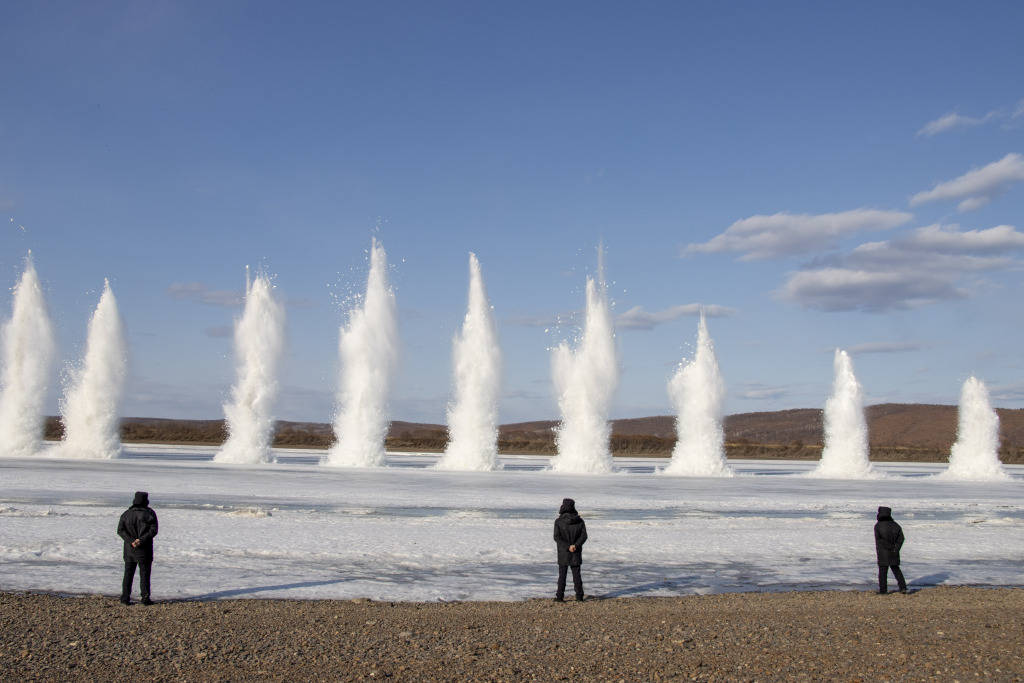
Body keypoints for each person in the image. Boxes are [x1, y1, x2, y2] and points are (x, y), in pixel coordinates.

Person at [117, 491, 159, 605]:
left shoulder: (126, 513)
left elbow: (120, 530)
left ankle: (125, 598)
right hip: (144, 549)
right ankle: (145, 598)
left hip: (130, 549)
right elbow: (153, 530)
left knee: (128, 574)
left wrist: (131, 541)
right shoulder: (150, 513)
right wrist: (140, 540)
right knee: (145, 574)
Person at [553, 497, 588, 602]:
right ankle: (579, 597)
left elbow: (557, 537)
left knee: (562, 575)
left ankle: (560, 597)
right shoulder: (579, 520)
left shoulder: (559, 521)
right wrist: (575, 545)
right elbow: (584, 536)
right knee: (576, 575)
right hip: (575, 551)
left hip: (564, 552)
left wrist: (568, 546)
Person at [874, 505, 906, 594]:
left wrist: (887, 547)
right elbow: (901, 538)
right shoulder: (896, 525)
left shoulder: (878, 525)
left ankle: (883, 591)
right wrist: (896, 548)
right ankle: (903, 588)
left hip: (883, 552)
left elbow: (879, 540)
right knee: (896, 570)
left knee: (883, 572)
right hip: (894, 552)